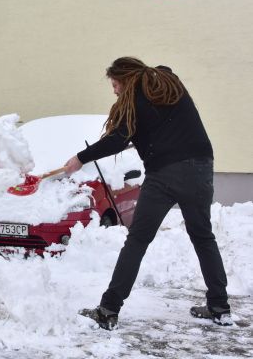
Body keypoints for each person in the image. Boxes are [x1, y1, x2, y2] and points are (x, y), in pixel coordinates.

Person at [63, 57, 231, 329]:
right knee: (203, 236)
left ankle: (108, 310)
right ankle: (220, 307)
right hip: (200, 167)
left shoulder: (135, 99)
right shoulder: (167, 85)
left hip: (164, 174)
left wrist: (81, 158)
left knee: (138, 240)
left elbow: (118, 139)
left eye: (115, 84)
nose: (115, 90)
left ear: (126, 79)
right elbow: (164, 124)